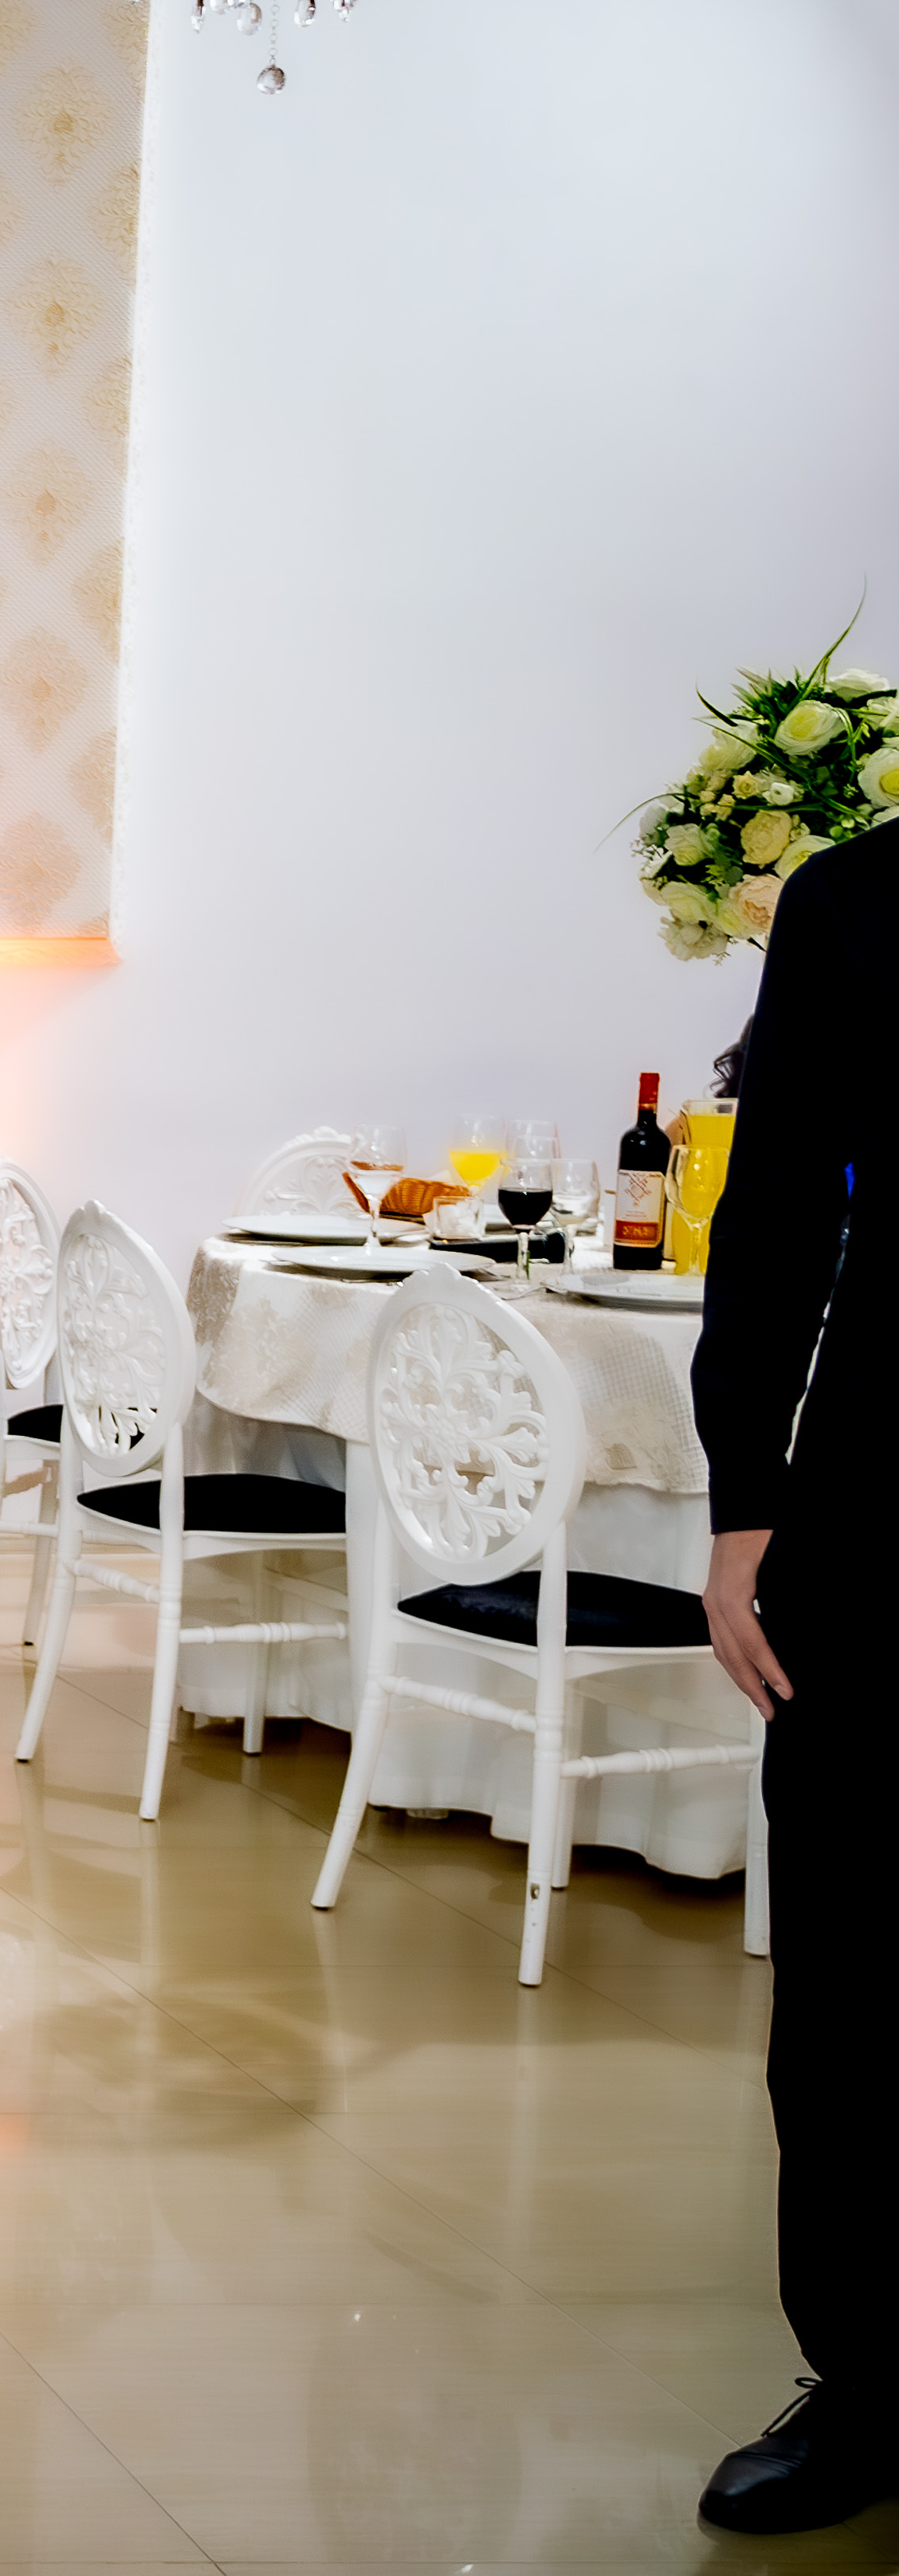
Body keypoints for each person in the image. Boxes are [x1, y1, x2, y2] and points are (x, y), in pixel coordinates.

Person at [696, 825, 899, 2533]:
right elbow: (770, 1212)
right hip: (885, 1506)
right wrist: (743, 1499)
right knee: (850, 1972)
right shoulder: (855, 900)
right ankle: (870, 2379)